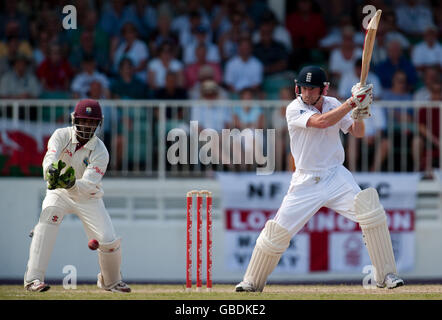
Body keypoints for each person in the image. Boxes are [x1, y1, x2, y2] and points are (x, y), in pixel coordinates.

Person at [235, 66, 404, 292]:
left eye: (312, 89)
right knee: (276, 232)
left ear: (323, 89)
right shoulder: (294, 108)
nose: (307, 93)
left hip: (335, 174)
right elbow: (321, 122)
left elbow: (358, 132)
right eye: (304, 88)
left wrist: (360, 111)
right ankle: (251, 282)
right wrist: (352, 103)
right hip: (306, 180)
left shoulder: (334, 103)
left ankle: (386, 275)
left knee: (370, 211)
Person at [24, 99, 131, 293]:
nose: (87, 126)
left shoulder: (101, 151)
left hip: (88, 197)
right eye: (84, 121)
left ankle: (111, 282)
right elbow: (50, 158)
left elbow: (89, 183)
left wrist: (71, 182)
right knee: (47, 221)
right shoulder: (61, 135)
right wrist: (51, 172)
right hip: (59, 192)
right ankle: (33, 279)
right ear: (75, 120)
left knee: (108, 240)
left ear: (99, 124)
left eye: (92, 122)